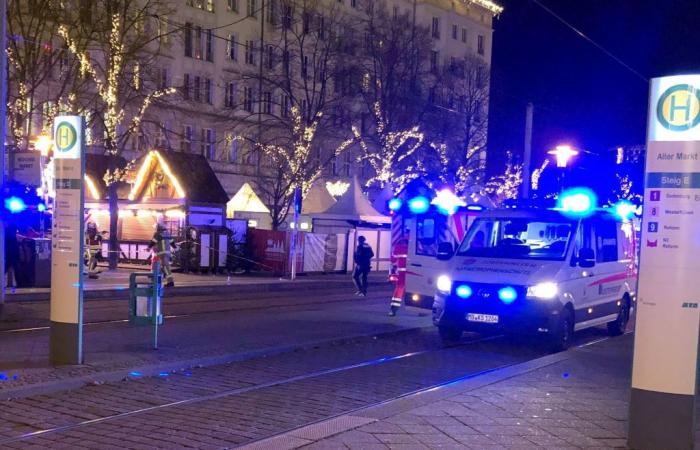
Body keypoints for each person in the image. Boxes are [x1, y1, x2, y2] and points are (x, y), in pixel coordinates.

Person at [389, 238, 408, 316]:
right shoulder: (413, 247)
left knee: (399, 290)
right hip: (413, 273)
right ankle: (421, 309)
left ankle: (393, 310)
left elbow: (393, 260)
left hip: (401, 273)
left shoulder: (398, 247)